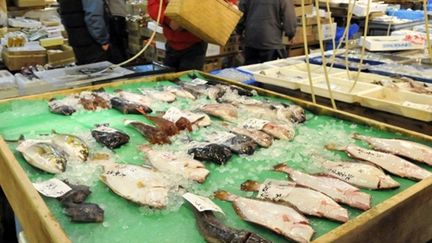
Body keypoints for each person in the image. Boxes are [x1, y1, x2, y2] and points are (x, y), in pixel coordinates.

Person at [58, 0, 127, 65]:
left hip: (77, 41)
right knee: (103, 73)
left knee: (88, 72)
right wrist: (103, 40)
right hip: (92, 42)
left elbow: (63, 15)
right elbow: (93, 17)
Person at [147, 0, 208, 71]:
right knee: (169, 78)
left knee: (189, 80)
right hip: (172, 43)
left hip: (195, 43)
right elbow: (154, 4)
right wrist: (168, 20)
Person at [236, 0, 297, 65]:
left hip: (251, 40)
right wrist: (290, 34)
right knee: (270, 72)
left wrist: (239, 31)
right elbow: (289, 17)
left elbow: (240, 15)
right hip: (271, 42)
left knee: (251, 71)